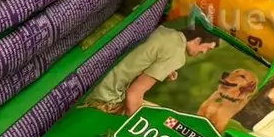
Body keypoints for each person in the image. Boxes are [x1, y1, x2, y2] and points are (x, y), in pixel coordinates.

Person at [83, 27, 218, 115]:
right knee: (161, 118)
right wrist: (132, 127)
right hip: (103, 96)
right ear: (198, 40)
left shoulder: (165, 30)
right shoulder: (177, 56)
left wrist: (165, 69)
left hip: (93, 70)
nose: (204, 52)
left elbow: (146, 53)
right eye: (207, 48)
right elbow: (134, 93)